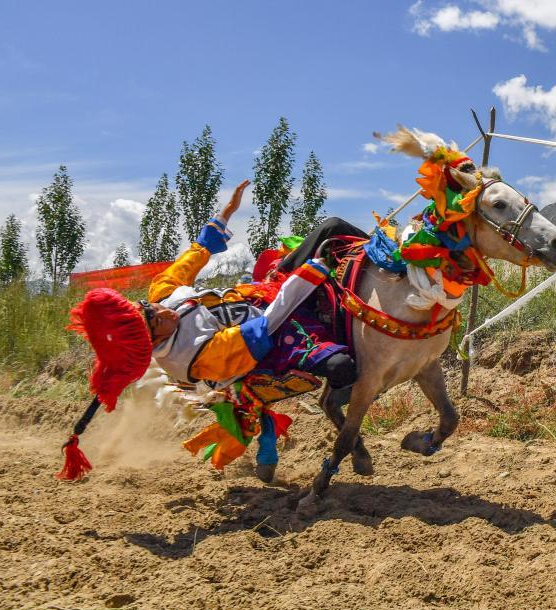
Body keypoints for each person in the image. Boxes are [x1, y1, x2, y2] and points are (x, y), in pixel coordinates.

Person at [69, 180, 357, 482]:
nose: (163, 311)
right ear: (152, 342)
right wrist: (309, 274)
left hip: (266, 293)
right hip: (275, 343)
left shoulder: (163, 294)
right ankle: (341, 398)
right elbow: (266, 325)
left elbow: (197, 252)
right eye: (157, 320)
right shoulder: (194, 355)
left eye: (150, 308)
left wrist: (227, 211)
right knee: (341, 366)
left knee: (332, 227)